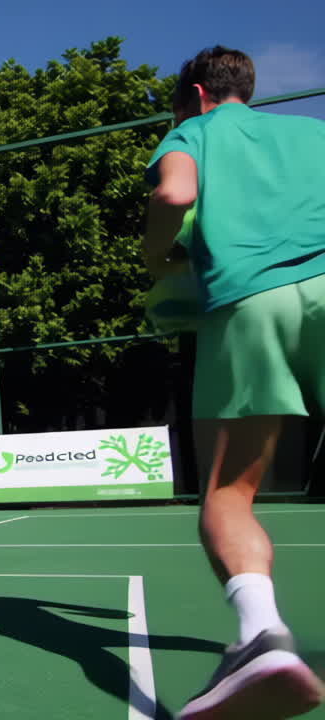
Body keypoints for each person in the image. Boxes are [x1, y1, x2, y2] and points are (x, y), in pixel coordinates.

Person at [142, 45, 325, 719]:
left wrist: (156, 252)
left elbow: (175, 193)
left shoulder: (193, 131)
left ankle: (261, 638)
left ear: (195, 93)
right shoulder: (312, 133)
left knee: (228, 493)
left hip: (250, 303)